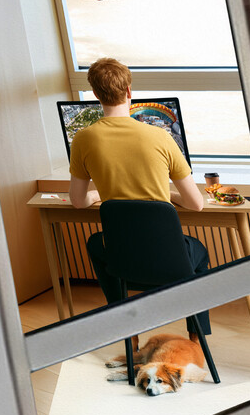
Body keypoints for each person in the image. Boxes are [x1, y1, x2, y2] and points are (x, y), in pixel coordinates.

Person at [68, 57, 211, 333]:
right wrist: (165, 196)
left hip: (124, 258)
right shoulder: (160, 137)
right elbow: (196, 204)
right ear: (129, 91)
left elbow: (77, 201)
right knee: (200, 254)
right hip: (170, 260)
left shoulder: (83, 139)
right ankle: (196, 339)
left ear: (96, 94)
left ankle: (127, 330)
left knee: (97, 244)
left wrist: (98, 194)